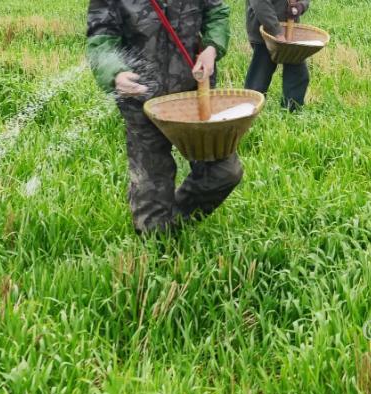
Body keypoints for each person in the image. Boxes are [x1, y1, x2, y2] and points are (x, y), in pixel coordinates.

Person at [86, 0, 243, 234]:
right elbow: (101, 37)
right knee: (151, 206)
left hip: (193, 97)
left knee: (224, 172)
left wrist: (211, 48)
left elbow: (216, 12)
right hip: (142, 103)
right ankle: (157, 241)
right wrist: (115, 73)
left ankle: (177, 221)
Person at [244, 0, 311, 111]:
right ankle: (249, 111)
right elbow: (260, 4)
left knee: (298, 74)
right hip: (264, 33)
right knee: (260, 75)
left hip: (290, 31)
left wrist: (300, 6)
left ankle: (292, 113)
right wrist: (276, 31)